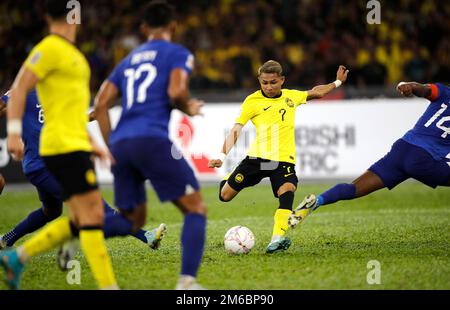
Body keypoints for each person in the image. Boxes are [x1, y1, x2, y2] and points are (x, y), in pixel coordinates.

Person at [1, 0, 117, 290]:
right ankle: (108, 286)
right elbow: (17, 92)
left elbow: (67, 111)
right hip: (60, 148)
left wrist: (92, 142)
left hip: (74, 144)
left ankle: (18, 256)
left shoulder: (72, 56)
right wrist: (14, 133)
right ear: (73, 18)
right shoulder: (49, 49)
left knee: (85, 215)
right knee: (92, 214)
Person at [94, 1, 207, 290]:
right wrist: (188, 109)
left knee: (134, 220)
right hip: (152, 139)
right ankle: (187, 283)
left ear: (144, 28)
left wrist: (110, 145)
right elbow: (177, 90)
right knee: (195, 208)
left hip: (120, 143)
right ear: (173, 26)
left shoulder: (128, 60)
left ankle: (69, 234)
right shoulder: (178, 53)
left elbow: (101, 103)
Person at [0, 91, 167, 259]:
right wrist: (14, 130)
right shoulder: (25, 87)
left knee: (51, 211)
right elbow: (3, 104)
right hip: (42, 165)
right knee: (93, 206)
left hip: (50, 163)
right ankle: (146, 236)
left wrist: (90, 117)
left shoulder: (54, 91)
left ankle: (7, 240)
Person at [208, 60, 349, 253]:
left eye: (273, 82)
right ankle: (227, 180)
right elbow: (237, 129)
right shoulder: (252, 101)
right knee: (225, 196)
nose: (269, 86)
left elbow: (317, 91)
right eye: (264, 82)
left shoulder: (292, 96)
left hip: (283, 159)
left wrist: (337, 82)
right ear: (259, 81)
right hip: (256, 159)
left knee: (287, 190)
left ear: (282, 80)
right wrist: (221, 156)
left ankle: (276, 240)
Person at [289, 82, 450, 228]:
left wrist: (409, 86)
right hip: (425, 158)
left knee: (354, 187)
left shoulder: (444, 92)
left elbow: (424, 89)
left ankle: (316, 201)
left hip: (403, 148)